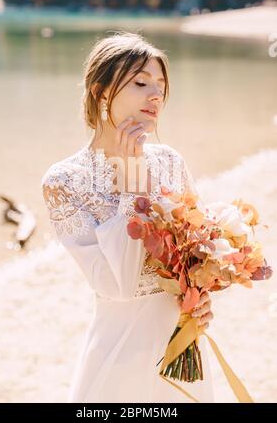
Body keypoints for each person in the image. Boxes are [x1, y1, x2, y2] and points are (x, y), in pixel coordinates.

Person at [41, 31, 214, 403]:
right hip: (119, 354)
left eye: (161, 86)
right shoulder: (64, 180)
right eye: (141, 82)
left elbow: (198, 256)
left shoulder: (170, 161)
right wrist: (133, 188)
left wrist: (201, 295)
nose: (156, 95)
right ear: (101, 91)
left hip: (182, 349)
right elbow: (115, 285)